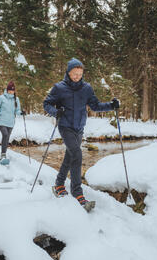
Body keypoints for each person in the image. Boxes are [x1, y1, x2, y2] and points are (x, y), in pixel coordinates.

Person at [43, 58, 119, 209]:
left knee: (70, 157)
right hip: (65, 126)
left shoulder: (86, 88)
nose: (77, 76)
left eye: (79, 73)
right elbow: (47, 103)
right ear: (68, 72)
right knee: (77, 155)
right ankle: (78, 194)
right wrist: (55, 111)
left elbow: (95, 106)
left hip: (79, 128)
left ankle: (58, 185)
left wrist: (111, 105)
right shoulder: (59, 87)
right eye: (74, 73)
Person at [0, 81, 25, 165]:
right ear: (7, 90)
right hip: (1, 121)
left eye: (12, 90)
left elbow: (17, 110)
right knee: (5, 134)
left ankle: (4, 155)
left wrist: (21, 112)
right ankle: (3, 156)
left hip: (10, 122)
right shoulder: (1, 98)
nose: (11, 91)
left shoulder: (16, 99)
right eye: (10, 90)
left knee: (7, 138)